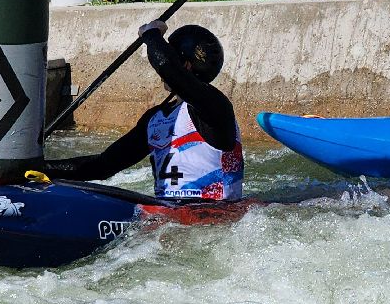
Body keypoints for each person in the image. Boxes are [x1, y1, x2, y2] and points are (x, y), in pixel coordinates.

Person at [43, 22, 243, 200]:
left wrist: (152, 34)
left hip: (216, 218)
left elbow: (166, 66)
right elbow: (103, 166)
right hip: (170, 219)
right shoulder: (155, 119)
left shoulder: (216, 108)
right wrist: (39, 168)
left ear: (186, 65)